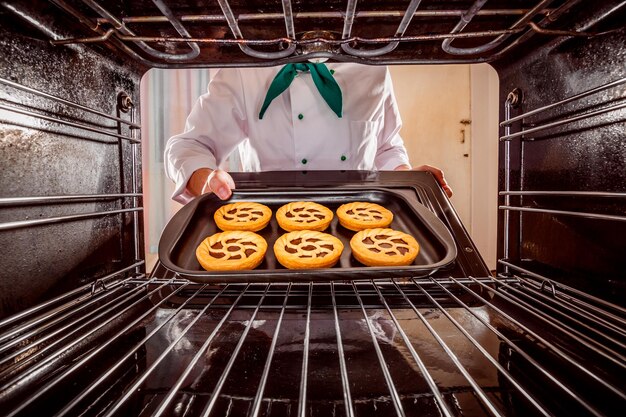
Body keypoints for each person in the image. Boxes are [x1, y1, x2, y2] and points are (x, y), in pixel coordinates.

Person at [164, 63, 453, 204]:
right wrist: (207, 179)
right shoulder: (245, 71)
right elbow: (188, 146)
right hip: (269, 232)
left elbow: (386, 146)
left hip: (361, 225)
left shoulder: (373, 68)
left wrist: (410, 179)